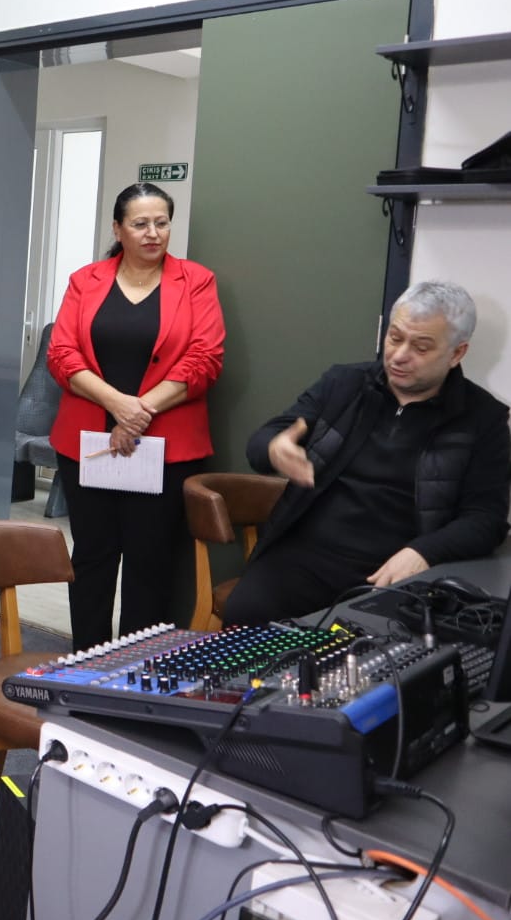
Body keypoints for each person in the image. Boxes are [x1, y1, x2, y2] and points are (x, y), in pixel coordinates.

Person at [223, 280, 511, 625]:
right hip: (304, 558)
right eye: (394, 337)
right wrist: (275, 448)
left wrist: (423, 552)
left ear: (457, 353)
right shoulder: (344, 384)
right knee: (244, 615)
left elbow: (485, 519)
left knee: (378, 648)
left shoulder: (483, 419)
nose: (399, 355)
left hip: (393, 574)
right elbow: (263, 442)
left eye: (421, 347)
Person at [47, 182, 225, 650]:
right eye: (140, 223)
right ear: (118, 229)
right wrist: (118, 404)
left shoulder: (197, 281)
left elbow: (205, 359)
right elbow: (62, 355)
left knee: (150, 563)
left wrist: (138, 412)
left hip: (167, 450)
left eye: (162, 223)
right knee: (92, 558)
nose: (153, 233)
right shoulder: (85, 280)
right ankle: (86, 661)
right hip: (88, 444)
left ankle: (134, 669)